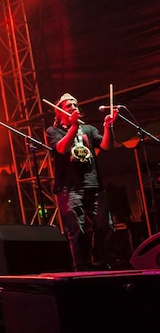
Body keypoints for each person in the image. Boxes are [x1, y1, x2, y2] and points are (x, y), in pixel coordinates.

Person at [46, 93, 118, 270]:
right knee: (78, 230)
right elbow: (62, 149)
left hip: (93, 185)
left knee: (105, 226)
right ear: (59, 112)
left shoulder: (89, 130)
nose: (73, 107)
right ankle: (83, 268)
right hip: (69, 188)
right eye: (68, 106)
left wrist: (108, 127)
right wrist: (73, 127)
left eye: (75, 105)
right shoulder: (53, 131)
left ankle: (100, 263)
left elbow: (107, 146)